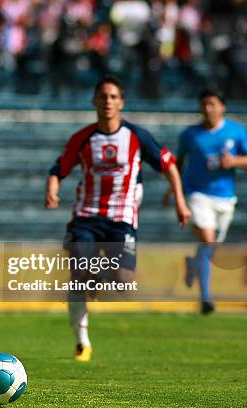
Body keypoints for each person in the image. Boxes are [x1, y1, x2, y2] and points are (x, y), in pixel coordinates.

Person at [45, 75, 191, 363]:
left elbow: (169, 165)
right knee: (78, 278)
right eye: (103, 96)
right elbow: (59, 167)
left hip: (122, 219)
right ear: (95, 101)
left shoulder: (137, 137)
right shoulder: (84, 138)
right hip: (86, 218)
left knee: (123, 279)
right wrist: (52, 188)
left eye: (113, 97)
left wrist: (180, 202)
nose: (108, 102)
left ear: (121, 102)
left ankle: (96, 278)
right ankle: (81, 342)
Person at [167, 89, 247, 314]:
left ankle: (193, 264)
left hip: (225, 198)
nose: (208, 108)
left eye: (212, 104)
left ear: (222, 107)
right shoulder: (190, 134)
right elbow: (179, 162)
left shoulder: (236, 131)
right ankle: (206, 298)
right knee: (208, 241)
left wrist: (235, 161)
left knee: (210, 249)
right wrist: (173, 189)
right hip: (198, 195)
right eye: (204, 104)